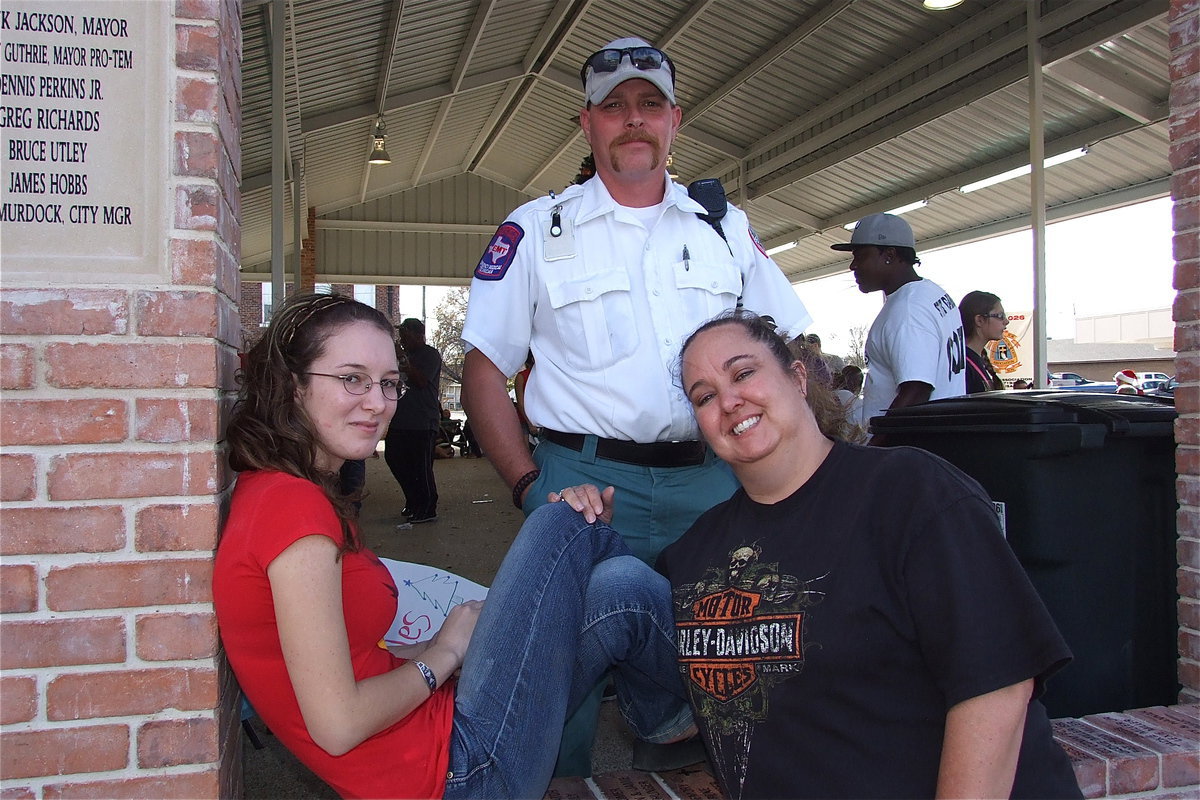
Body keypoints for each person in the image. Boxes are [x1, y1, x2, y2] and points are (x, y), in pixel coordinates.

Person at [460, 35, 811, 775]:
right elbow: (485, 370)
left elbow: (785, 350)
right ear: (586, 123)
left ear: (674, 120)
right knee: (560, 672)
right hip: (579, 481)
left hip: (712, 482)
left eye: (649, 105)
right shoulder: (537, 230)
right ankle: (554, 783)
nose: (633, 120)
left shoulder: (724, 227)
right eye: (613, 106)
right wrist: (530, 488)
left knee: (727, 655)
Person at [213, 292, 694, 800]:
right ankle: (687, 714)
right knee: (562, 522)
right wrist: (444, 652)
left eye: (388, 383)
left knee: (621, 587)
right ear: (292, 385)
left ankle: (671, 718)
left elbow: (352, 659)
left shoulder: (284, 493)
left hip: (445, 730)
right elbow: (337, 723)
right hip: (459, 773)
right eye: (351, 378)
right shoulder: (293, 511)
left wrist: (479, 646)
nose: (377, 402)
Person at [641, 311, 1081, 799]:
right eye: (704, 396)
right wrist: (580, 524)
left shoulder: (910, 492)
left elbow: (998, 686)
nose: (728, 400)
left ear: (798, 375)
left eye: (743, 373)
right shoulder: (692, 555)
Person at [832, 213, 965, 441]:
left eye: (860, 255)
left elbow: (916, 390)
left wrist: (875, 452)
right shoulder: (932, 293)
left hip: (913, 450)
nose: (853, 265)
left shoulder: (908, 310)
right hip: (943, 442)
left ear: (889, 255)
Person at [385, 318, 442, 523]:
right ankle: (412, 500)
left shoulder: (430, 355)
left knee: (421, 466)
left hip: (422, 420)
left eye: (406, 336)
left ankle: (428, 507)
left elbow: (420, 381)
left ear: (419, 335)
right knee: (394, 458)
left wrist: (404, 362)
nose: (402, 340)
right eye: (401, 336)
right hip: (401, 418)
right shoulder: (403, 355)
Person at [959, 290, 1007, 393]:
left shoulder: (975, 359)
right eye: (1000, 316)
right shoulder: (963, 366)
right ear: (979, 320)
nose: (1006, 321)